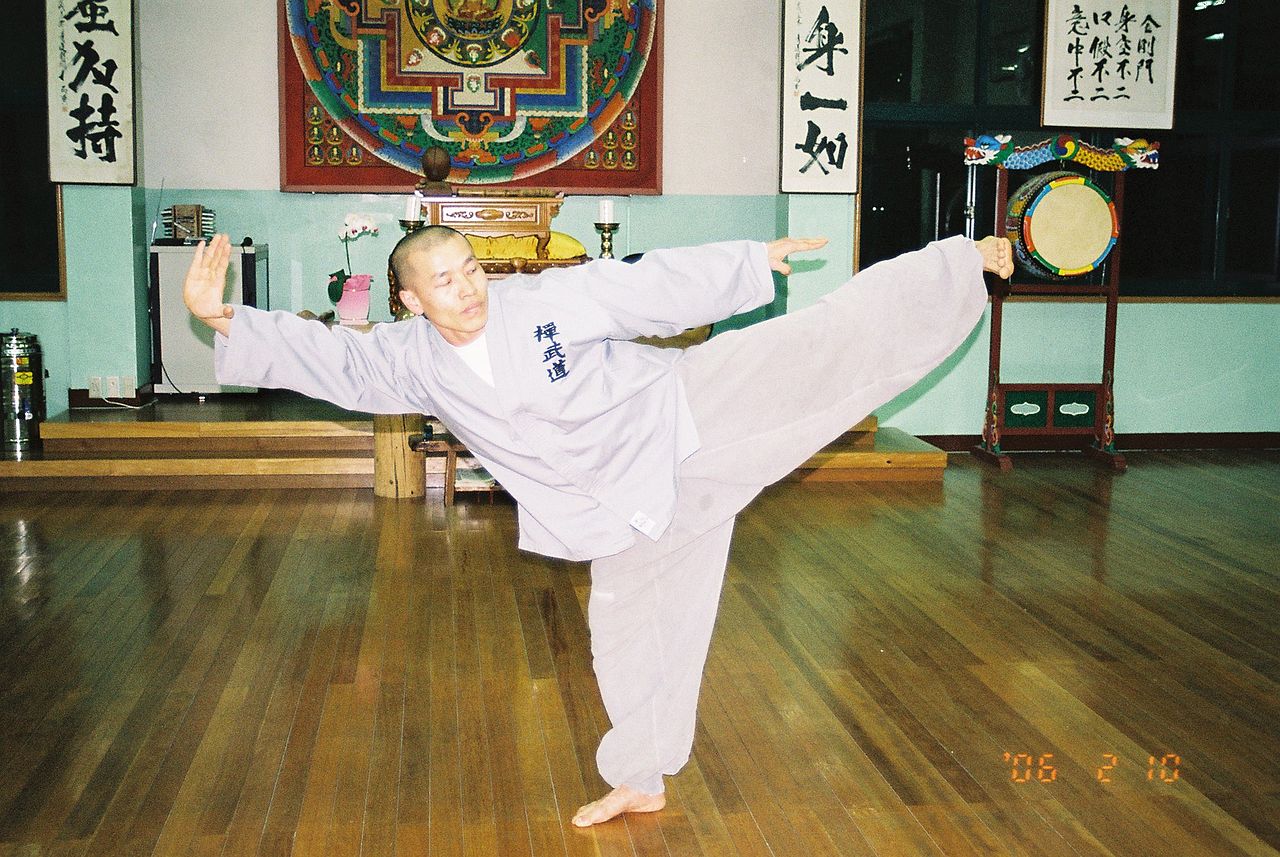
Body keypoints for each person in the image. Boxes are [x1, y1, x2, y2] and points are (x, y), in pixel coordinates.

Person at [185, 225, 1013, 826]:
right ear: (409, 299)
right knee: (624, 636)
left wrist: (746, 262)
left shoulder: (541, 301)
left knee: (809, 347)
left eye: (470, 269)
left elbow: (642, 287)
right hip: (621, 511)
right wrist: (227, 319)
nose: (468, 287)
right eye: (444, 281)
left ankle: (956, 265)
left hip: (684, 414)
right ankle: (641, 776)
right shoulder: (407, 357)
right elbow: (333, 358)